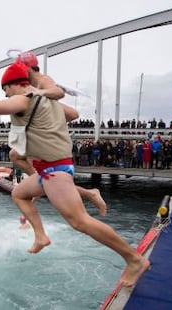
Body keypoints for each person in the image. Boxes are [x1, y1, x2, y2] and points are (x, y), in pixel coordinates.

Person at [0, 62, 149, 287]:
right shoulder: (47, 101)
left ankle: (133, 259)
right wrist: (47, 119)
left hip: (55, 170)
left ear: (15, 84)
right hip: (47, 169)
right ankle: (42, 235)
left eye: (6, 90)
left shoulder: (24, 99)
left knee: (80, 221)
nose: (5, 95)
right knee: (20, 193)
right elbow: (72, 113)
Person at [13, 51, 107, 216]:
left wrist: (38, 92)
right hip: (48, 123)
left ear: (27, 68)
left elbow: (58, 93)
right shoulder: (31, 83)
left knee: (19, 157)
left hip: (54, 120)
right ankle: (87, 192)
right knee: (18, 157)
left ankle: (87, 192)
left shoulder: (42, 79)